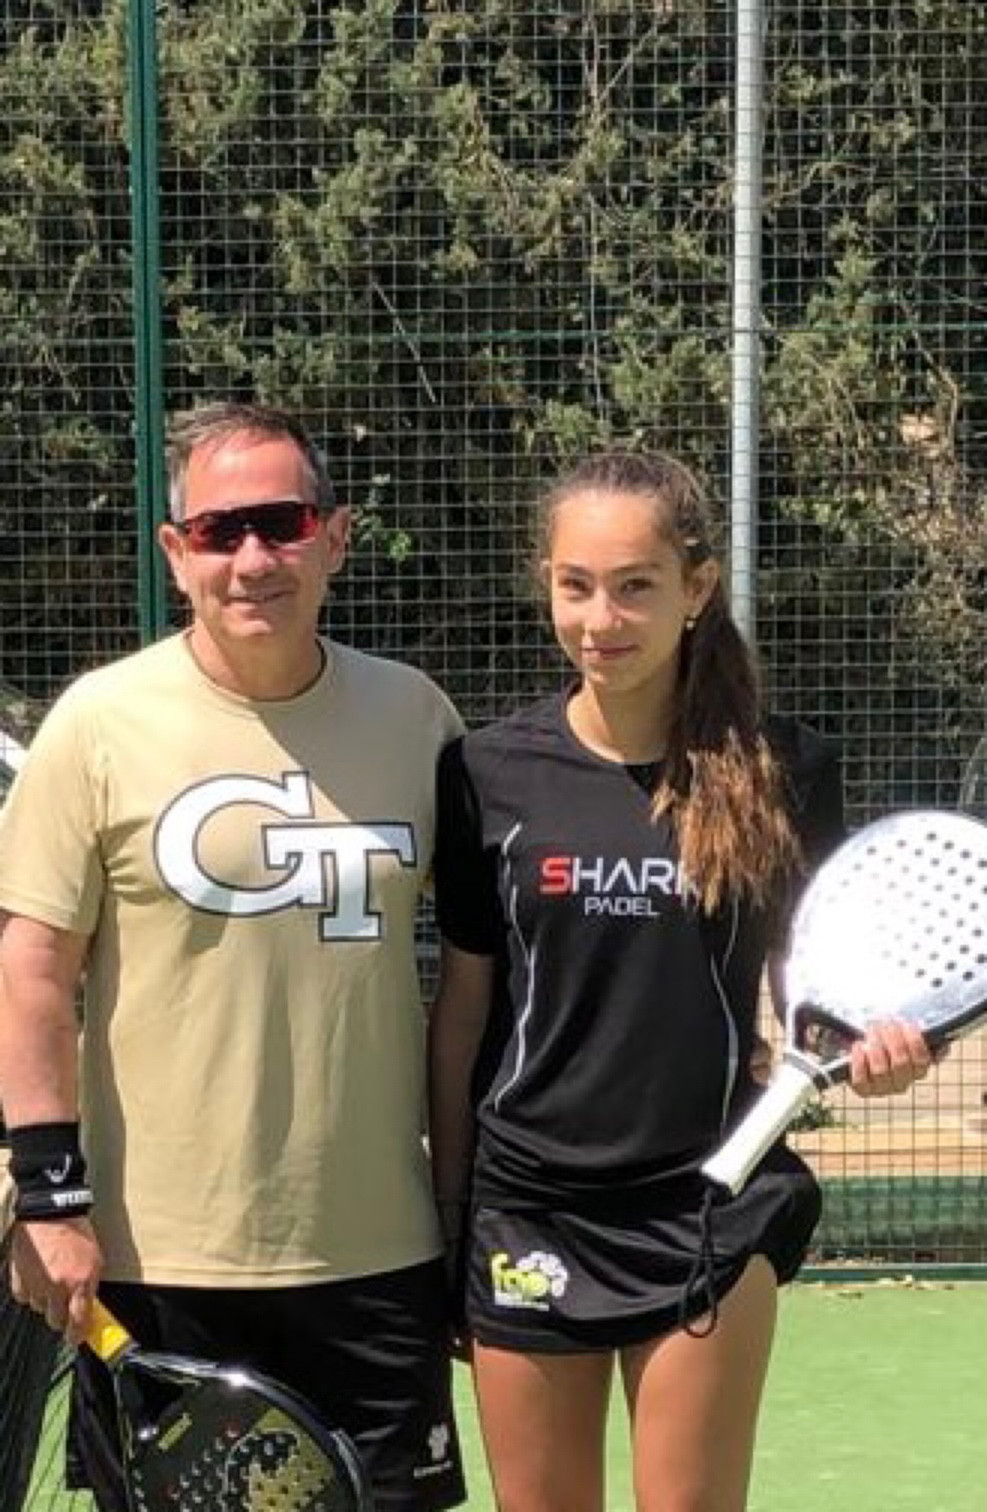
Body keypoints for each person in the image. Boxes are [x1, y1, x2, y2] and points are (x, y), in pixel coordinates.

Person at [427, 449, 932, 1512]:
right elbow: (465, 1011)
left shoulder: (784, 771)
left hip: (709, 1203)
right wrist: (453, 1209)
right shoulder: (484, 773)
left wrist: (875, 1050)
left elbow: (818, 990)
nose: (600, 618)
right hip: (528, 1210)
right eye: (575, 585)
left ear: (695, 588)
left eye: (635, 585)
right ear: (546, 582)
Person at [0, 401, 467, 1512]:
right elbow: (31, 971)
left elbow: (487, 970)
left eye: (283, 523)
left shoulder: (416, 717)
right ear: (177, 552)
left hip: (378, 1255)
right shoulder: (99, 723)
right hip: (156, 1263)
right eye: (219, 531)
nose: (253, 559)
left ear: (334, 537)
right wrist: (50, 1200)